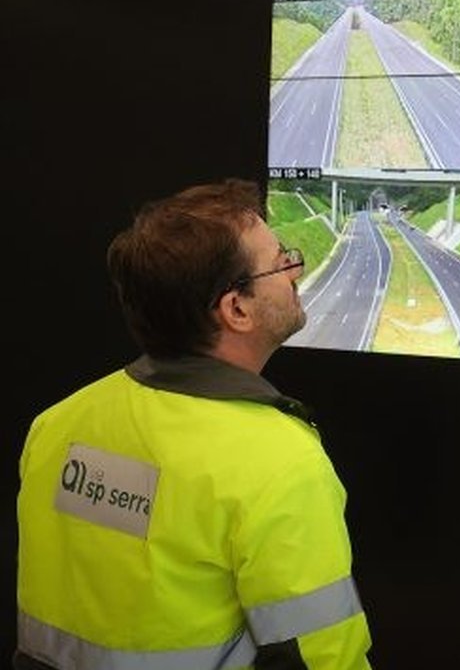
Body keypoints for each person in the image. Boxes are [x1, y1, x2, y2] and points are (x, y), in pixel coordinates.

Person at [15, 178, 372, 670]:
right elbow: (327, 659)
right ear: (237, 309)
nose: (296, 270)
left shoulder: (56, 425)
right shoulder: (280, 466)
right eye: (281, 260)